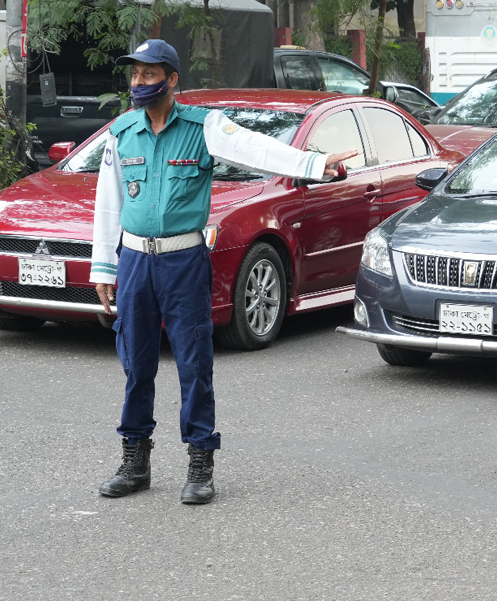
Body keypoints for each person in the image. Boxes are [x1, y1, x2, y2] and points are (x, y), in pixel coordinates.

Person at [91, 40, 359, 504]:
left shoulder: (204, 127)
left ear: (171, 80)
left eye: (149, 75)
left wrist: (314, 164)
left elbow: (256, 149)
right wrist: (104, 266)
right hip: (135, 262)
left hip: (182, 260)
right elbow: (108, 202)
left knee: (194, 364)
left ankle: (200, 461)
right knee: (136, 364)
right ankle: (135, 460)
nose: (139, 83)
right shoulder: (121, 132)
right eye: (134, 74)